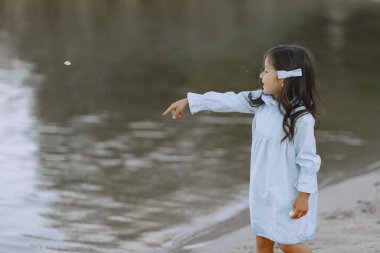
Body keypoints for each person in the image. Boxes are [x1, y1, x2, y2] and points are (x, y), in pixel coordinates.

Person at [162, 44, 323, 253]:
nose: (261, 75)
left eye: (266, 70)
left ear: (283, 78)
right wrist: (190, 101)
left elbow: (308, 160)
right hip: (261, 188)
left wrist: (304, 195)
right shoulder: (260, 102)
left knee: (286, 242)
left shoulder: (301, 119)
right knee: (263, 239)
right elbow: (228, 99)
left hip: (287, 191)